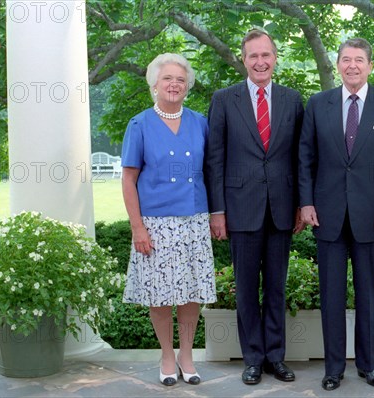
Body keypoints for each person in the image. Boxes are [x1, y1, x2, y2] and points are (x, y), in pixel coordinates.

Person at [298, 38, 374, 391]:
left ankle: (368, 365)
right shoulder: (318, 104)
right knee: (330, 297)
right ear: (338, 65)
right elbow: (305, 159)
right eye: (346, 60)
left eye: (359, 60)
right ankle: (333, 369)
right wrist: (306, 202)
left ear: (370, 66)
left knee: (368, 295)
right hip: (327, 215)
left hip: (373, 216)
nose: (352, 66)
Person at [204, 29, 305, 385]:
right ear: (243, 59)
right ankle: (252, 357)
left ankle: (275, 357)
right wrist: (217, 211)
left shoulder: (293, 100)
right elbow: (214, 159)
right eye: (253, 56)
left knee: (276, 286)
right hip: (239, 209)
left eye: (266, 55)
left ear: (275, 57)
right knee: (246, 288)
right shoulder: (223, 99)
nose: (260, 62)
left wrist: (300, 205)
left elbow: (299, 158)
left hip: (281, 208)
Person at [121, 53, 216, 387]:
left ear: (187, 85)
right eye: (168, 79)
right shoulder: (139, 124)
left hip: (193, 221)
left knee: (191, 294)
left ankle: (187, 356)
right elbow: (129, 179)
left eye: (180, 79)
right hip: (156, 224)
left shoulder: (200, 122)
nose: (174, 84)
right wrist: (137, 227)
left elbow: (211, 172)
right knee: (160, 295)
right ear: (154, 84)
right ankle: (166, 354)